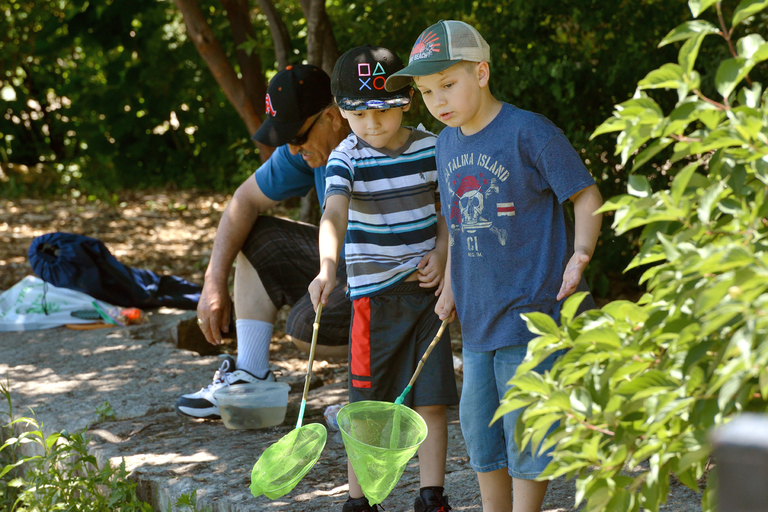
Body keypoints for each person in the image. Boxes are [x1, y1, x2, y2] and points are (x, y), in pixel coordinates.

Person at [385, 20, 603, 512]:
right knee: (482, 437)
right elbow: (457, 222)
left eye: (447, 84)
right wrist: (453, 280)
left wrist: (580, 253)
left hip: (531, 312)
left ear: (481, 73)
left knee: (528, 435)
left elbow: (586, 195)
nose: (437, 100)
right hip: (478, 320)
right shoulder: (445, 143)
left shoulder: (529, 131)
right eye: (425, 91)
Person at [308, 45, 458, 512]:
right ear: (341, 112)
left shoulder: (433, 147)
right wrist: (326, 267)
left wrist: (441, 250)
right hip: (371, 300)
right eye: (358, 114)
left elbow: (450, 212)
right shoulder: (345, 158)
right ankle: (361, 499)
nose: (372, 124)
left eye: (383, 110)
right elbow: (333, 213)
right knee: (366, 408)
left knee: (431, 400)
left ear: (407, 100)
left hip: (425, 293)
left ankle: (431, 494)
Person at [176, 64, 354, 420]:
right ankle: (250, 376)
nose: (293, 147)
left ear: (333, 117)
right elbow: (244, 200)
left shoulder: (376, 141)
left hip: (391, 278)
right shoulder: (309, 150)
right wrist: (213, 281)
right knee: (257, 234)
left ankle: (383, 381)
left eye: (299, 136)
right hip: (341, 267)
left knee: (305, 327)